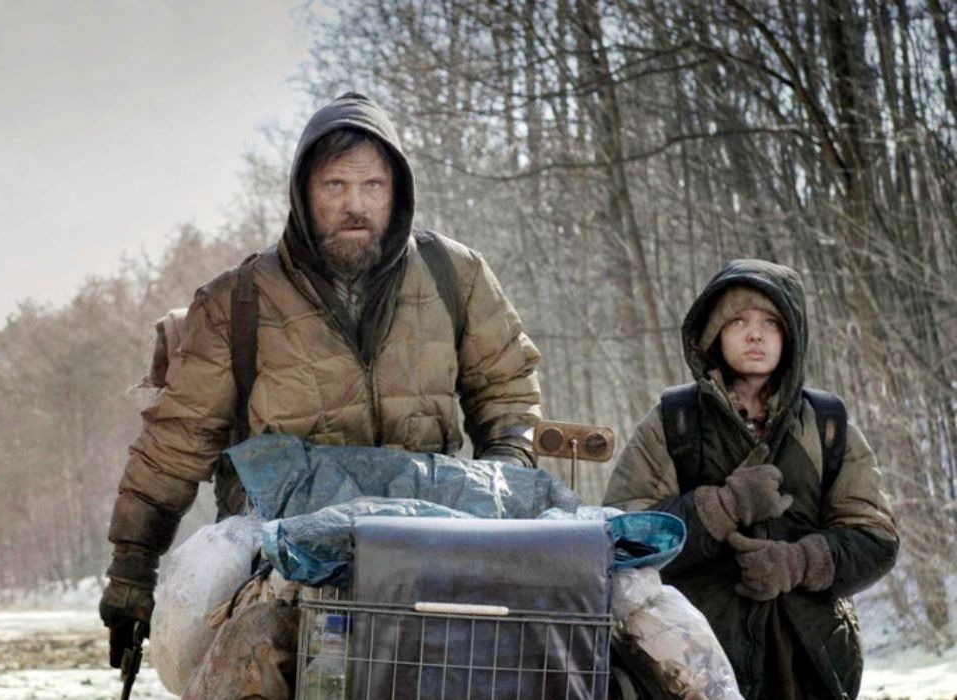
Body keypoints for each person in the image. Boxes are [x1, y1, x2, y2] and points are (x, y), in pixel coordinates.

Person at [98, 92, 543, 669]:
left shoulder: (455, 276)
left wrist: (501, 481)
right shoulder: (236, 303)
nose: (354, 205)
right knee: (240, 664)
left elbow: (507, 392)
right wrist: (131, 574)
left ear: (397, 192)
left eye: (372, 186)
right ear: (303, 194)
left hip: (431, 537)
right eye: (335, 186)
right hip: (276, 556)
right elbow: (173, 448)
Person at [604, 259, 898, 699]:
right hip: (696, 664)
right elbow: (622, 539)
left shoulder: (827, 424)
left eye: (770, 322)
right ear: (714, 334)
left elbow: (875, 537)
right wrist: (721, 508)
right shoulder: (675, 422)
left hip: (813, 662)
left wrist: (798, 562)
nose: (754, 334)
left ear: (791, 336)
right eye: (737, 320)